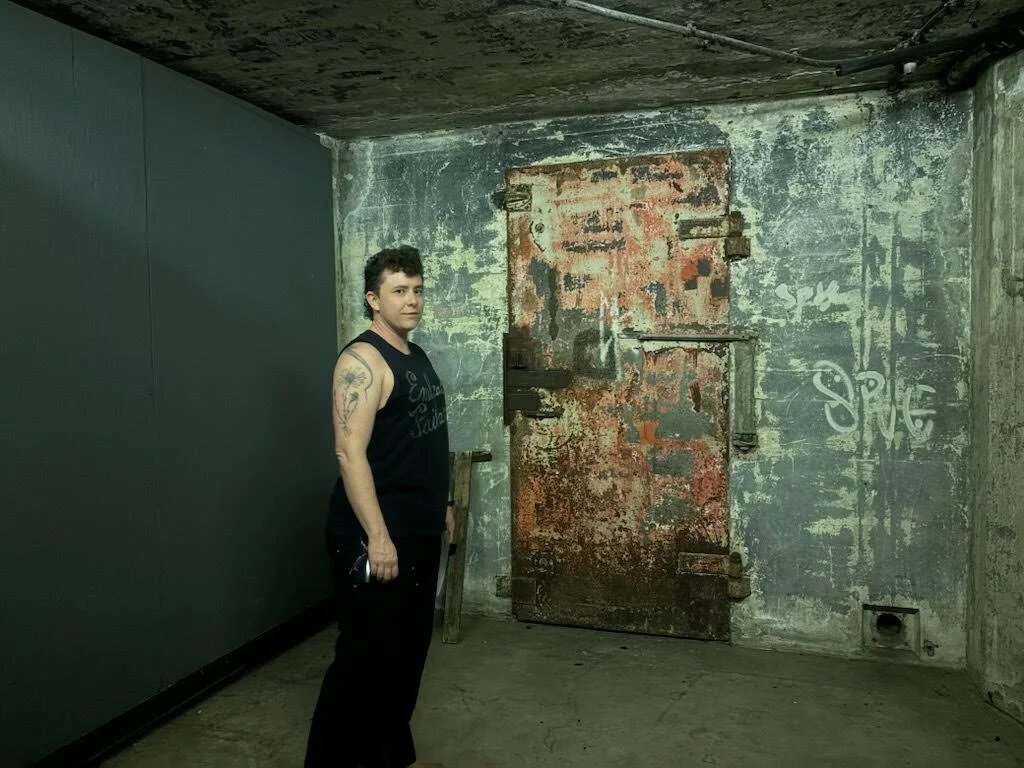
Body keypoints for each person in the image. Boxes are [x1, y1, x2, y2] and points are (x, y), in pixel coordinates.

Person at [305, 245, 453, 768]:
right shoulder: (362, 361)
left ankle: (385, 756)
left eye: (417, 290)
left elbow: (426, 438)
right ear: (373, 299)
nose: (412, 300)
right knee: (364, 662)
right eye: (399, 291)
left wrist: (445, 503)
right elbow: (349, 452)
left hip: (419, 530)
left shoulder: (416, 353)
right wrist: (379, 536)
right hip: (374, 536)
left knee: (407, 658)